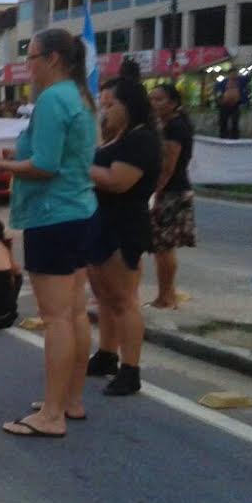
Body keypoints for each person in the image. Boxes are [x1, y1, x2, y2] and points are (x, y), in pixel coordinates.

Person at [0, 27, 98, 437]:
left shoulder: (52, 99)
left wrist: (1, 168)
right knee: (75, 312)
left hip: (52, 215)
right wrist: (17, 156)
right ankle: (69, 400)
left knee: (56, 318)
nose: (28, 65)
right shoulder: (77, 95)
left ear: (54, 59)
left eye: (32, 56)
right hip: (77, 211)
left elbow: (45, 166)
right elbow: (54, 155)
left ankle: (52, 415)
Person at [84, 77, 162, 396]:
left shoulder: (141, 140)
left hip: (124, 223)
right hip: (100, 220)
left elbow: (118, 181)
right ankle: (106, 354)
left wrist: (78, 166)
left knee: (123, 298)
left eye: (110, 105)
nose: (106, 112)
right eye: (103, 105)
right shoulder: (119, 137)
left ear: (128, 105)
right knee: (103, 295)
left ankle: (131, 368)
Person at [145, 83, 197, 311]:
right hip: (172, 190)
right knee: (162, 248)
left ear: (173, 103)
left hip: (171, 192)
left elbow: (168, 165)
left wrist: (155, 192)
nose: (154, 104)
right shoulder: (166, 124)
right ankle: (166, 294)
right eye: (152, 99)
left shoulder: (175, 127)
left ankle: (166, 296)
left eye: (159, 99)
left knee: (164, 248)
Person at [216, 72, 242, 140]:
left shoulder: (240, 82)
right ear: (229, 75)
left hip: (235, 104)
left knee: (235, 120)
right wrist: (220, 99)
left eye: (235, 74)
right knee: (223, 121)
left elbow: (243, 91)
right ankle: (223, 136)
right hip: (225, 104)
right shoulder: (223, 82)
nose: (233, 75)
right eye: (232, 74)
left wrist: (240, 100)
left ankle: (234, 136)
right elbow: (218, 90)